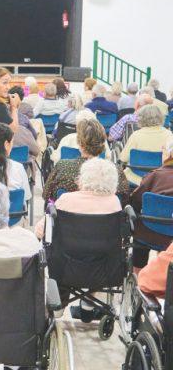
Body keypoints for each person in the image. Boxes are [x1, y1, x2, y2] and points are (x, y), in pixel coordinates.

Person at [35, 158, 122, 321]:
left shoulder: (67, 199)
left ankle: (59, 305)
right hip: (101, 269)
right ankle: (88, 304)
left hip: (66, 266)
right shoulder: (114, 203)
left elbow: (41, 231)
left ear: (83, 178)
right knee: (94, 253)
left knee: (61, 251)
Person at [43, 118, 129, 202]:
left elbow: (46, 195)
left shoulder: (63, 167)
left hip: (69, 214)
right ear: (103, 143)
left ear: (80, 144)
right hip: (107, 215)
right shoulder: (116, 170)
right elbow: (124, 199)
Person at [129, 139, 173, 271]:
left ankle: (138, 275)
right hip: (170, 241)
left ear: (169, 154)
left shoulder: (155, 176)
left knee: (139, 224)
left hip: (150, 234)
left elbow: (135, 202)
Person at [119, 104, 173, 185]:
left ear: (141, 118)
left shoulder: (136, 135)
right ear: (161, 117)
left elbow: (123, 158)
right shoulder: (169, 134)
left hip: (136, 178)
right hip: (160, 179)